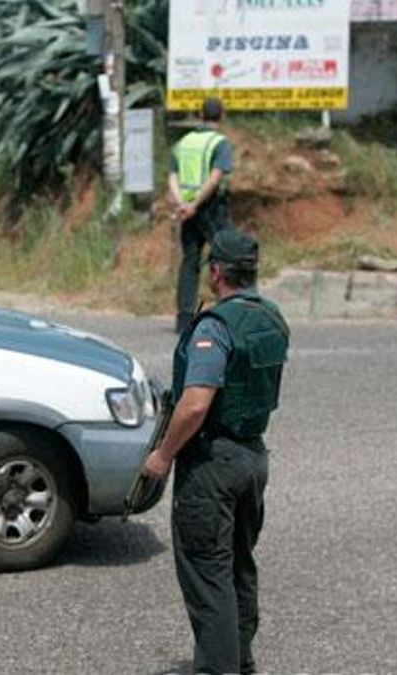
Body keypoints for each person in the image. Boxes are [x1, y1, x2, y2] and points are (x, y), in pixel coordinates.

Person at [141, 229, 290, 675]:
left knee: (208, 578)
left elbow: (196, 403)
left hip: (213, 464)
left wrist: (163, 455)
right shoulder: (272, 317)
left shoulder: (215, 325)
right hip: (252, 458)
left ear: (218, 271)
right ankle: (241, 663)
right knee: (238, 568)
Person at [169, 97, 234, 333]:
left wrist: (183, 205)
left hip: (187, 210)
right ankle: (227, 314)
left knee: (190, 262)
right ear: (221, 115)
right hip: (211, 208)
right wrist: (196, 203)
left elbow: (173, 179)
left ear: (200, 114)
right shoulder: (220, 143)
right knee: (225, 258)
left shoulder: (183, 142)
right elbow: (215, 178)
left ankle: (184, 318)